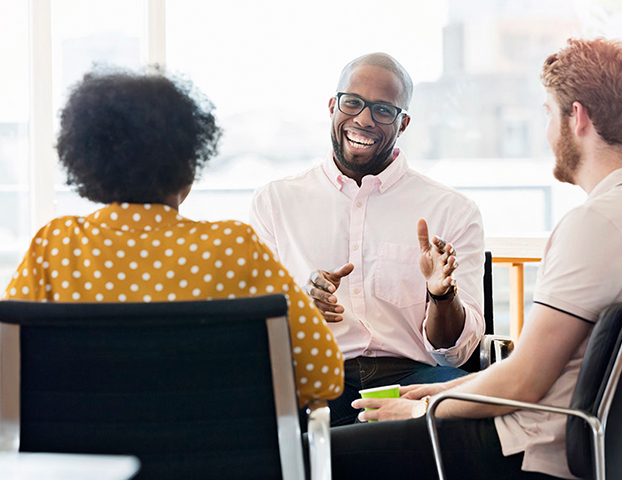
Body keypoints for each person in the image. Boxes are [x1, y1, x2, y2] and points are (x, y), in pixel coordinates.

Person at [327, 37, 622, 480]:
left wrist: (422, 409)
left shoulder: (593, 223)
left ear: (576, 117)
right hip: (554, 430)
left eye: (547, 113)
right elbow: (534, 366)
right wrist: (432, 392)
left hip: (527, 442)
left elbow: (523, 380)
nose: (546, 131)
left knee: (317, 456)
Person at [1, 68, 344, 408]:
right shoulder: (233, 247)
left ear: (89, 163)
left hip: (83, 461)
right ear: (188, 165)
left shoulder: (56, 246)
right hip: (215, 460)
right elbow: (324, 374)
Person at [250, 52, 486, 426]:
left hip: (412, 378)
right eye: (353, 103)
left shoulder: (453, 210)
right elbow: (259, 325)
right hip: (317, 376)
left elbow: (456, 355)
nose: (363, 119)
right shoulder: (275, 202)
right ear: (333, 106)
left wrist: (442, 295)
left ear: (403, 122)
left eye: (382, 110)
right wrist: (301, 304)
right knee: (257, 416)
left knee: (461, 411)